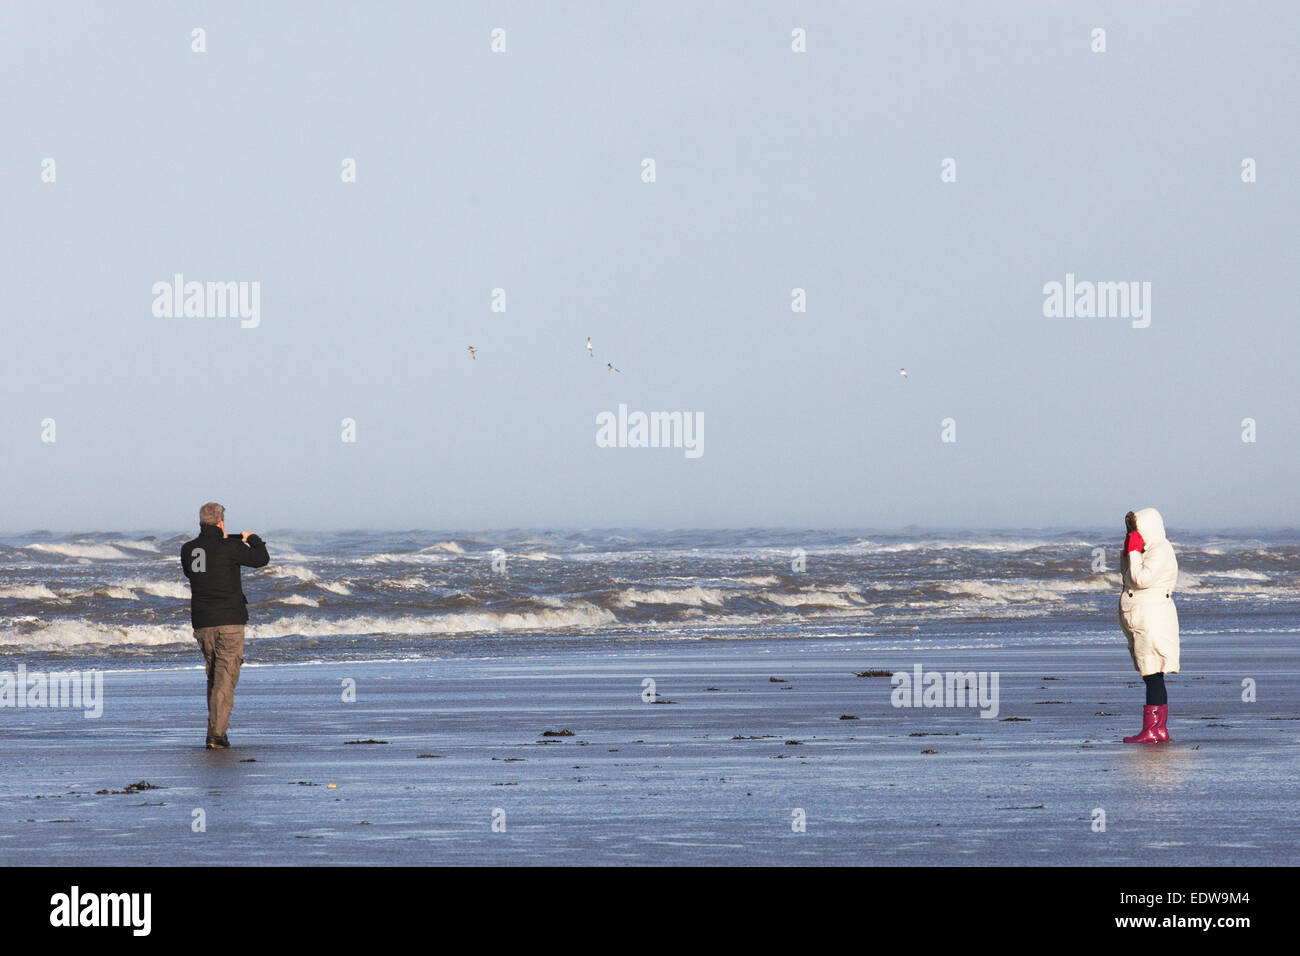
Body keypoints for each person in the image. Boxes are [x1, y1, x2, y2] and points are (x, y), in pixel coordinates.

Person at [180, 502, 270, 749]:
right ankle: (217, 735)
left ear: (200, 523)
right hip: (229, 621)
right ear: (221, 522)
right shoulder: (231, 546)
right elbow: (261, 559)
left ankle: (216, 730)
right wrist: (253, 539)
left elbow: (192, 574)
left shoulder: (189, 549)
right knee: (225, 676)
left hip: (202, 622)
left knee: (215, 675)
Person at [1117, 508, 1179, 744]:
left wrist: (1134, 551)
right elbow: (1126, 576)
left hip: (1152, 618)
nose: (1134, 534)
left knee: (1152, 672)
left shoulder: (1161, 550)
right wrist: (1128, 552)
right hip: (1144, 616)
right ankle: (1158, 728)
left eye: (1136, 529)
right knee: (1151, 674)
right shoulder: (1150, 549)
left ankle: (1153, 729)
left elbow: (1140, 579)